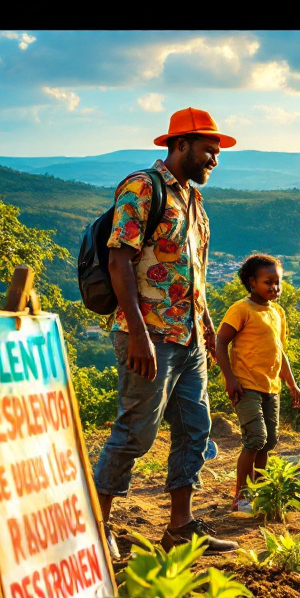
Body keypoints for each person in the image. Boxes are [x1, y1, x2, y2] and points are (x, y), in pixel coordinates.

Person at [91, 108, 240, 557]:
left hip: (189, 338)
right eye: (208, 149)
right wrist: (138, 335)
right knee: (136, 433)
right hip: (149, 336)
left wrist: (209, 332)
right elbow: (120, 260)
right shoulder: (143, 187)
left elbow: (191, 275)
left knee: (196, 430)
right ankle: (96, 530)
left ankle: (181, 528)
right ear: (180, 145)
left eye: (216, 151)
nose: (215, 158)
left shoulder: (193, 201)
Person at [214, 254, 300, 513]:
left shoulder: (277, 312)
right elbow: (221, 342)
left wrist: (291, 383)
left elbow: (279, 351)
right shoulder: (241, 309)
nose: (275, 287)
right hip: (245, 385)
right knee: (255, 439)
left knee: (269, 442)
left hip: (271, 387)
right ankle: (241, 496)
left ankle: (260, 492)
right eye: (268, 282)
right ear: (252, 282)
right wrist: (230, 378)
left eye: (278, 282)